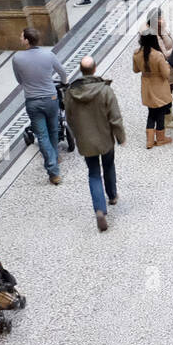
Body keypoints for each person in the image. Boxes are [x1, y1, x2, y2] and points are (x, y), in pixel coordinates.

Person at [65, 56, 125, 232]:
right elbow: (115, 117)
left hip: (85, 140)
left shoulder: (70, 93)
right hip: (105, 138)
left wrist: (76, 135)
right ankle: (112, 195)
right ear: (94, 68)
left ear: (80, 70)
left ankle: (99, 210)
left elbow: (69, 118)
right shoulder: (105, 91)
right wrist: (120, 136)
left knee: (93, 173)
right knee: (108, 166)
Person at [12, 28, 68, 184]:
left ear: (27, 41)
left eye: (21, 36)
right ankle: (54, 158)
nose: (20, 37)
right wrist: (64, 83)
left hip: (33, 101)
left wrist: (30, 84)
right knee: (53, 130)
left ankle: (53, 170)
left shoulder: (17, 58)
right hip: (51, 98)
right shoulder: (48, 55)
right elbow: (62, 72)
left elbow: (19, 79)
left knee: (42, 136)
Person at [133, 29, 173, 148]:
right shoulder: (158, 55)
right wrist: (167, 66)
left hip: (146, 86)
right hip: (159, 86)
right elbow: (166, 74)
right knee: (160, 112)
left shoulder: (136, 53)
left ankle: (149, 141)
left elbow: (135, 70)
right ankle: (160, 138)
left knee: (151, 113)